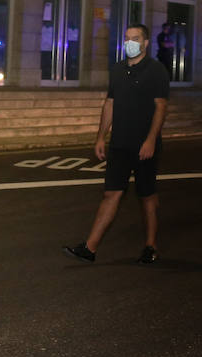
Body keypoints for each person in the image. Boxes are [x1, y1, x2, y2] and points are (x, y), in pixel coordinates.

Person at [66, 24, 169, 264]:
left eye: (135, 39)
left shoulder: (156, 71)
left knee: (147, 196)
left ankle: (150, 246)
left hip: (145, 145)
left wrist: (151, 140)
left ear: (145, 44)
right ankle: (89, 249)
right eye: (126, 38)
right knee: (111, 193)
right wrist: (101, 136)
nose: (129, 43)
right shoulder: (118, 70)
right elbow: (109, 103)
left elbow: (161, 107)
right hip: (120, 144)